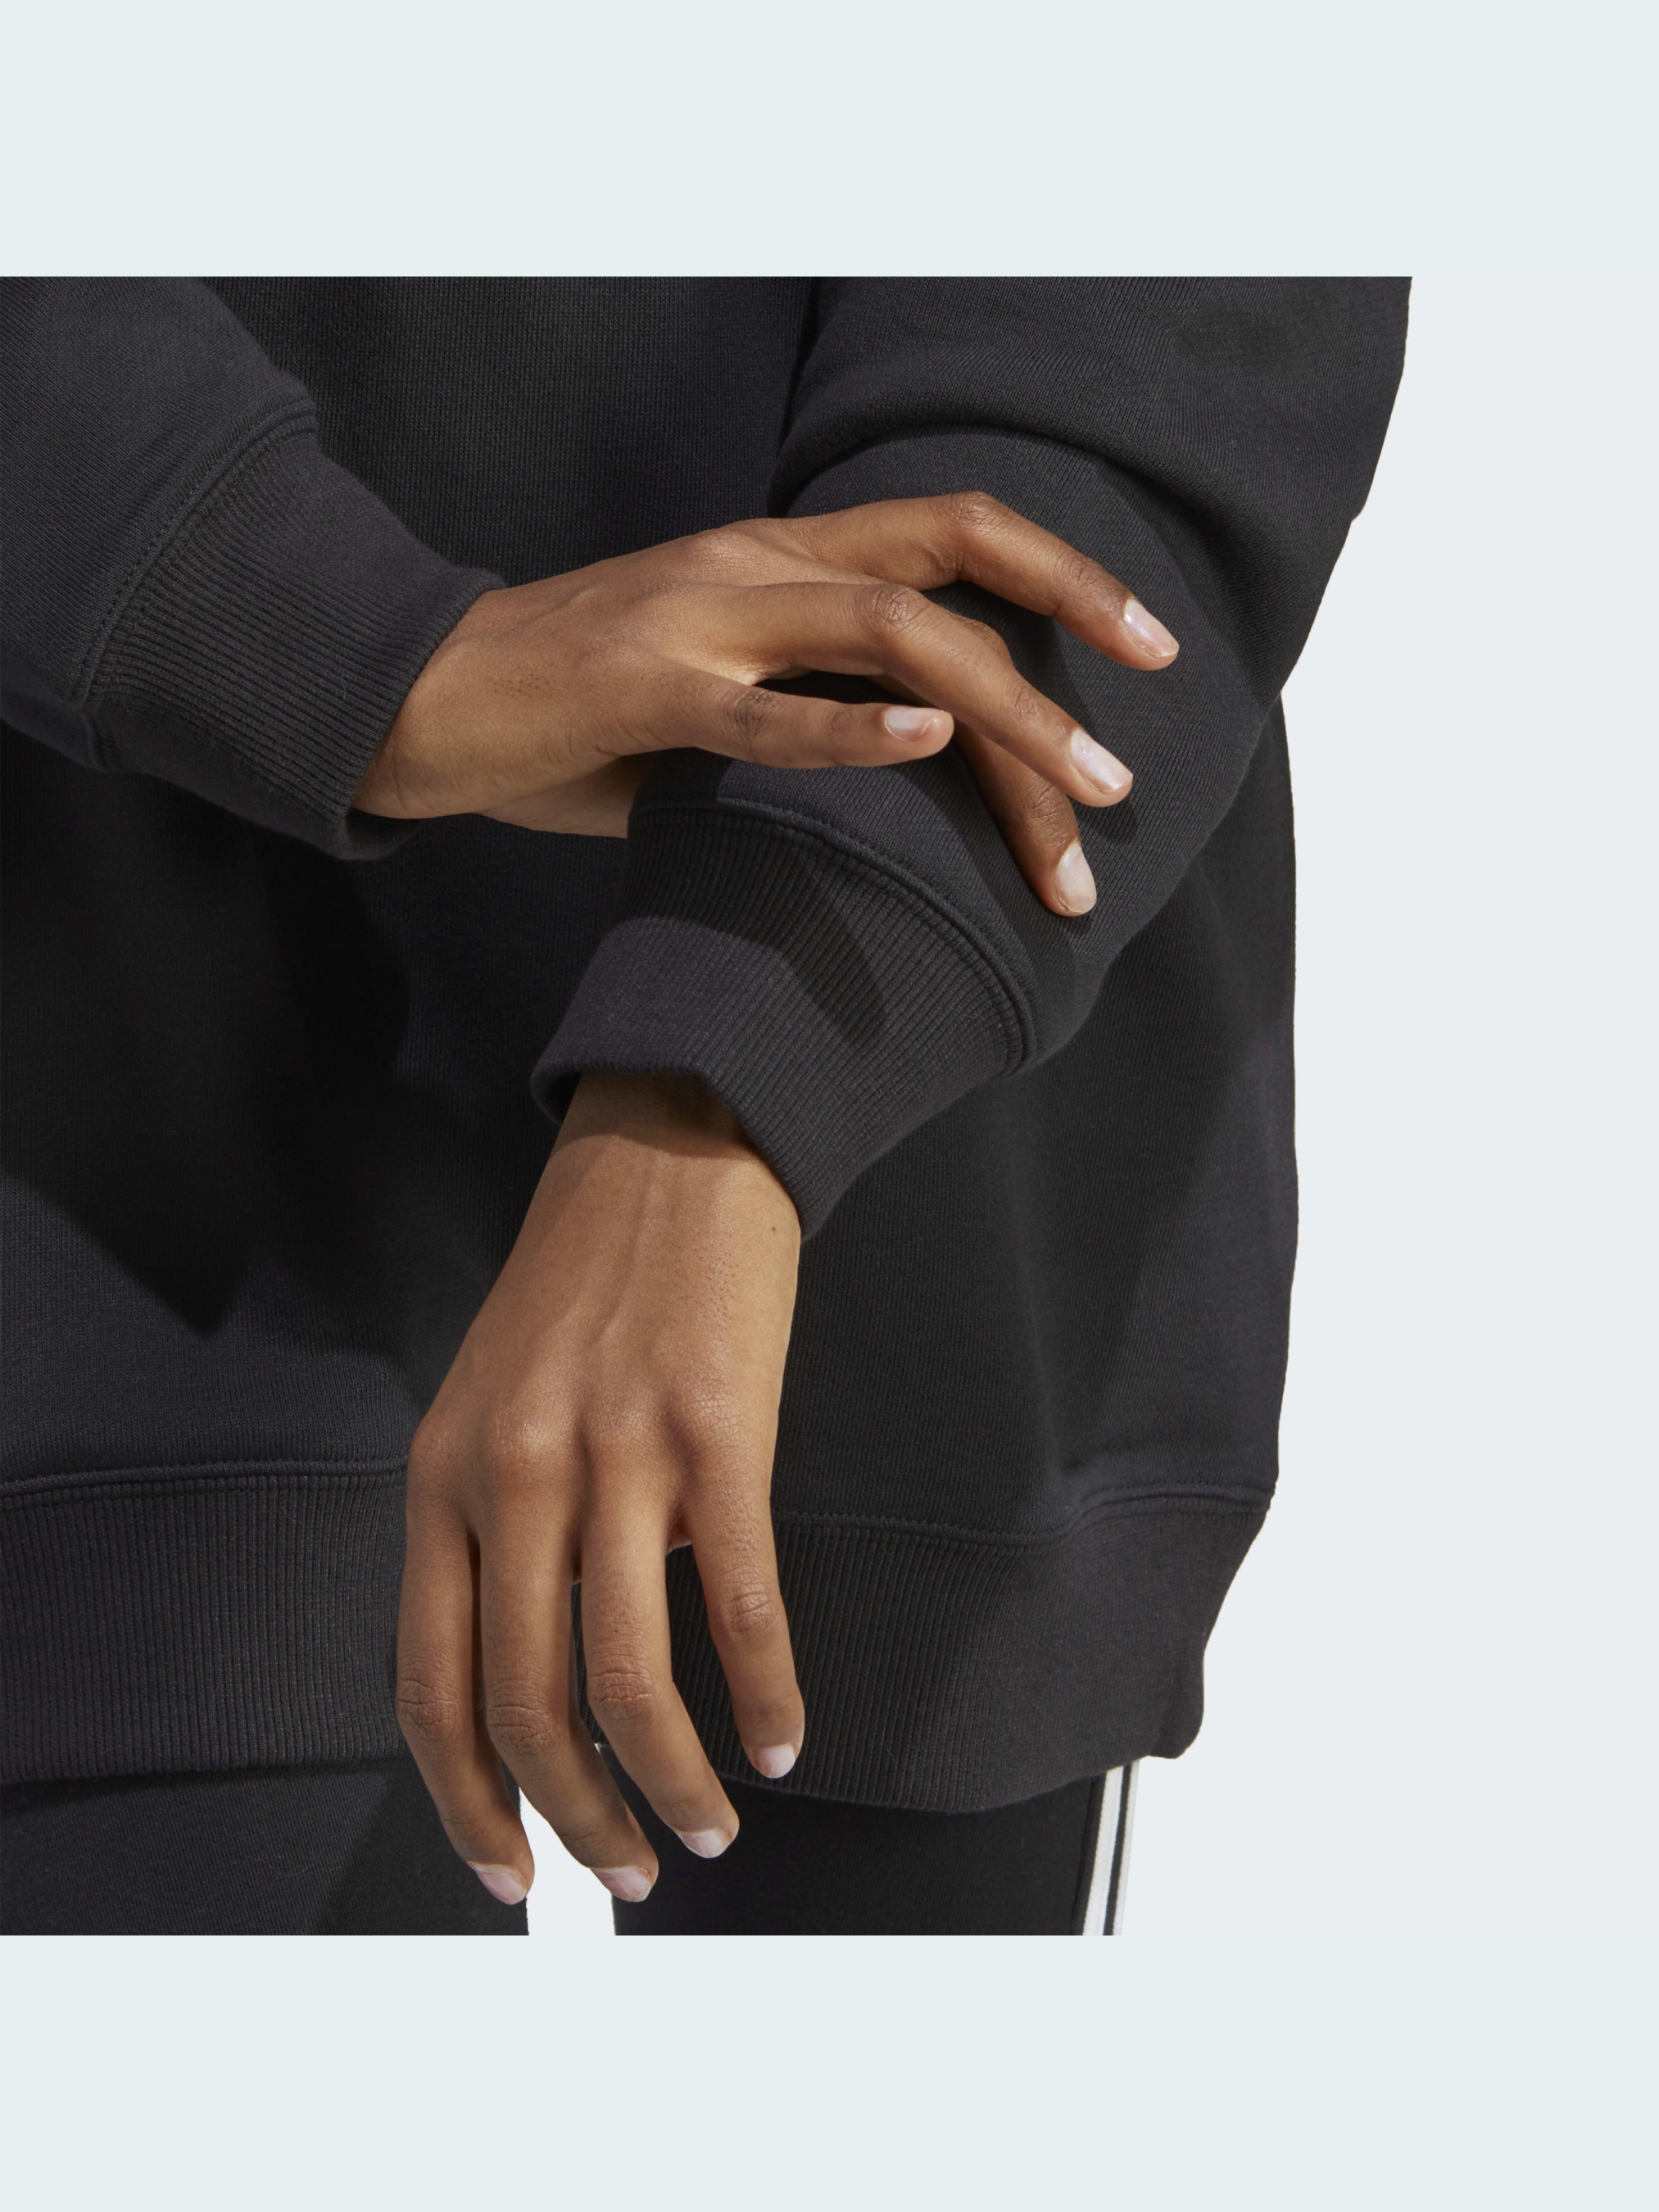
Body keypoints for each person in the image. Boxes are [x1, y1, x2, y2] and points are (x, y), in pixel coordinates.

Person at [0, 279, 1407, 1934]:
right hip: (112, 1119)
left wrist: (727, 1079)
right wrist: (344, 649)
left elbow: (1160, 293)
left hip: (918, 1201)